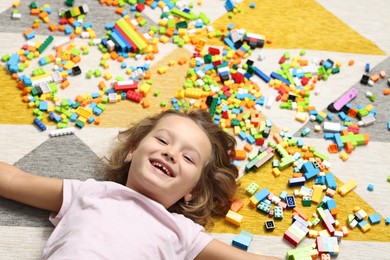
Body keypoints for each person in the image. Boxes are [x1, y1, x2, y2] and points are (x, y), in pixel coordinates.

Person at [0, 109, 280, 259]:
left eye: (187, 157)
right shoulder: (91, 192)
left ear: (191, 192)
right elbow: (14, 181)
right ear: (133, 150)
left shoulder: (182, 231)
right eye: (162, 140)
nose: (171, 153)